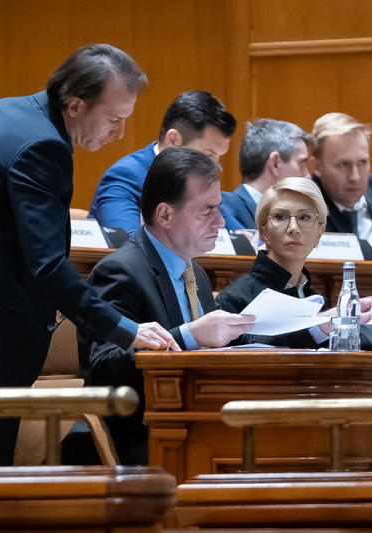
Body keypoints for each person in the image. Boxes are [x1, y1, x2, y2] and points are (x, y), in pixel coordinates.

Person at [0, 44, 179, 466]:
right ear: (75, 105)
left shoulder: (4, 112)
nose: (118, 133)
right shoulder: (44, 146)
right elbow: (47, 267)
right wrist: (122, 327)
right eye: (114, 119)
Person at [79, 146, 255, 465]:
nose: (220, 222)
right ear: (165, 215)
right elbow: (105, 369)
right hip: (145, 438)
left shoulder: (197, 275)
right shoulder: (120, 271)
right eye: (206, 210)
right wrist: (188, 336)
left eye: (219, 208)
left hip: (198, 429)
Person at [217, 177, 372, 347]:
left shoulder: (316, 301)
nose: (293, 228)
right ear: (264, 231)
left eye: (304, 217)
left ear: (320, 232)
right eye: (280, 217)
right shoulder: (233, 299)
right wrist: (318, 327)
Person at [88, 91, 236, 236]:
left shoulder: (203, 185)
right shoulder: (126, 176)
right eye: (208, 155)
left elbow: (243, 238)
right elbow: (126, 243)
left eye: (218, 156)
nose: (214, 166)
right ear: (173, 140)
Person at [310, 112, 372, 259]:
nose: (355, 177)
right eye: (343, 164)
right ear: (317, 166)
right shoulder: (306, 205)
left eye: (362, 162)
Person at [221, 119, 311, 230]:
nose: (308, 176)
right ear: (275, 164)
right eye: (302, 163)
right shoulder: (222, 209)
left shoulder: (299, 217)